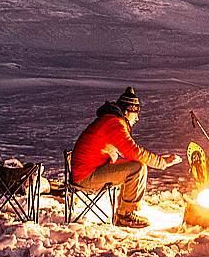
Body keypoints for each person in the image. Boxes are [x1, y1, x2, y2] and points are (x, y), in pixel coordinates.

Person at [71, 86, 182, 228]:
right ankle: (125, 215)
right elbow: (134, 151)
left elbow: (131, 154)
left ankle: (124, 211)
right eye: (135, 113)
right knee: (138, 168)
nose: (137, 118)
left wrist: (158, 158)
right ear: (126, 111)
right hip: (86, 177)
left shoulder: (110, 121)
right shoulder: (114, 124)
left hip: (88, 171)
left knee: (134, 164)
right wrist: (162, 162)